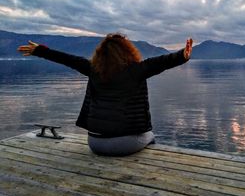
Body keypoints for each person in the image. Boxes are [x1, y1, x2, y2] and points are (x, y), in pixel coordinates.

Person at [17, 33, 193, 156]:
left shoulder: (93, 70)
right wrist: (182, 56)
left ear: (101, 54)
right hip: (126, 145)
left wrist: (40, 50)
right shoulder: (137, 70)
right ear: (128, 51)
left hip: (95, 143)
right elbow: (161, 62)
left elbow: (67, 59)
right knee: (150, 136)